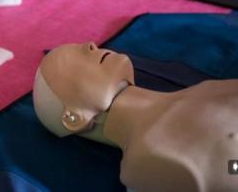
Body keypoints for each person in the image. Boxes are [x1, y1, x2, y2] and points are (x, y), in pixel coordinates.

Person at [33, 42, 238, 192]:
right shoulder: (149, 165)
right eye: (72, 63)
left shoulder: (202, 91)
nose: (90, 45)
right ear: (73, 118)